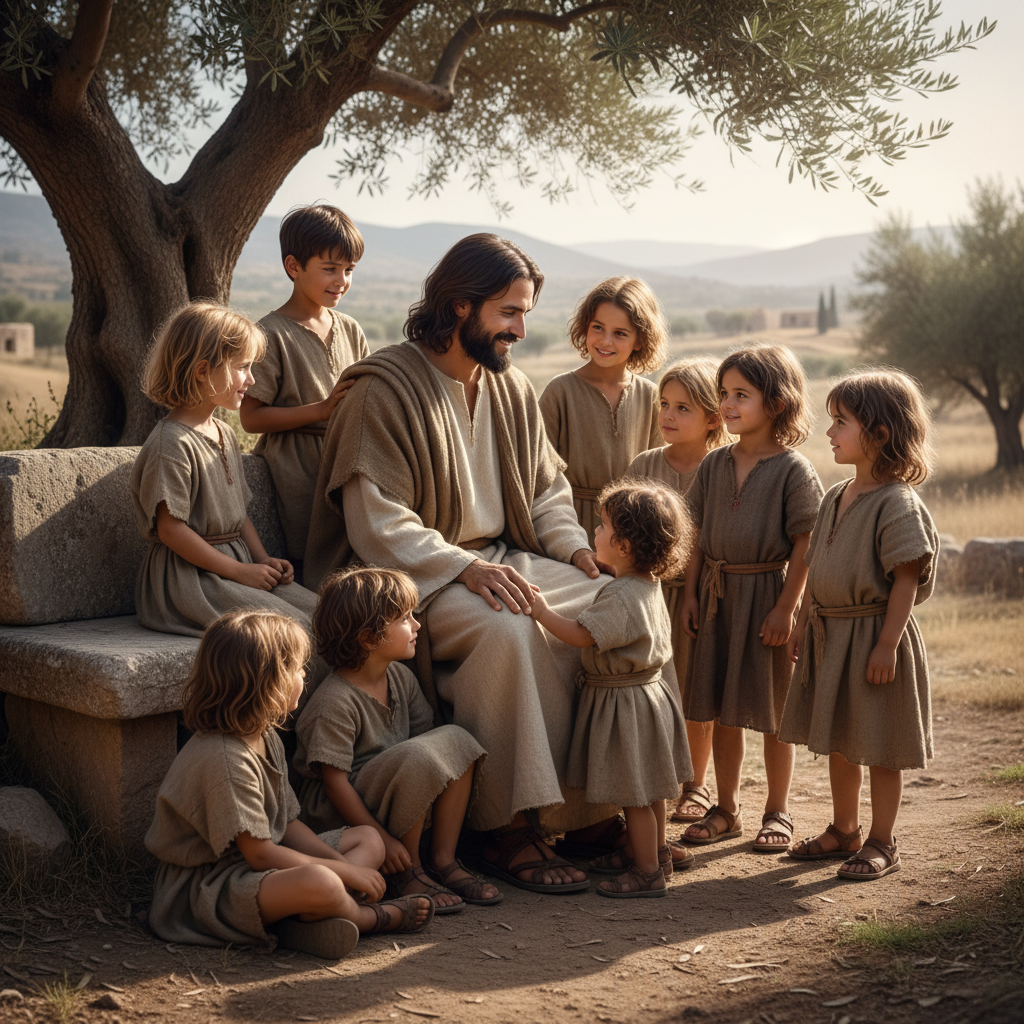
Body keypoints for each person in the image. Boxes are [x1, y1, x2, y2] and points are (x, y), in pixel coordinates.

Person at [305, 233, 631, 894]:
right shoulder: (383, 390)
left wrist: (573, 550)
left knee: (610, 608)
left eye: (524, 314)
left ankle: (592, 811)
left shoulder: (509, 391)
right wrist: (463, 569)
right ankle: (505, 828)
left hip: (504, 558)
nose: (519, 328)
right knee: (507, 629)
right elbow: (377, 521)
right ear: (459, 306)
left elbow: (546, 491)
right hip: (410, 580)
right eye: (509, 312)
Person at [144, 609, 434, 959]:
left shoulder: (264, 732)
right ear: (269, 681)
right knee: (322, 882)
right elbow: (260, 853)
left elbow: (290, 823)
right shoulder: (225, 759)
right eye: (297, 669)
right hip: (209, 888)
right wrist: (343, 873)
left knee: (368, 839)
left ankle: (299, 921)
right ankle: (366, 917)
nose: (304, 677)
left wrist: (346, 867)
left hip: (261, 870)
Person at [780, 370, 938, 881]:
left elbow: (907, 578)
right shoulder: (836, 494)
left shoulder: (897, 501)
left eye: (841, 422)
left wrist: (888, 644)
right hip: (833, 636)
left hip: (873, 637)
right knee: (841, 738)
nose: (830, 433)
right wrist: (803, 619)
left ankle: (881, 840)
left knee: (878, 744)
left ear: (880, 433)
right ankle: (843, 829)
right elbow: (816, 566)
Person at [680, 345, 824, 853]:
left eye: (742, 394)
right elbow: (694, 533)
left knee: (773, 711)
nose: (728, 404)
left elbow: (806, 540)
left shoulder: (793, 469)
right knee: (721, 708)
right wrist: (694, 593)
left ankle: (778, 810)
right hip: (718, 598)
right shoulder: (715, 463)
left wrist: (788, 607)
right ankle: (727, 807)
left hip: (767, 597)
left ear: (778, 402)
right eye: (724, 394)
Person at [293, 566, 500, 913]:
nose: (417, 625)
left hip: (395, 789)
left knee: (457, 741)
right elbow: (335, 785)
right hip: (340, 813)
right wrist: (384, 841)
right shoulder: (334, 702)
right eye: (404, 618)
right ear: (369, 639)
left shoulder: (401, 679)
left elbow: (427, 741)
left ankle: (442, 860)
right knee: (417, 758)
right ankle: (408, 870)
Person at [531, 482, 693, 898]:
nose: (594, 532)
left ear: (623, 546)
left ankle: (645, 872)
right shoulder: (648, 584)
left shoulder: (620, 594)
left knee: (634, 796)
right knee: (649, 787)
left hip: (625, 704)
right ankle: (655, 854)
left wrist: (541, 611)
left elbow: (581, 635)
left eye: (602, 527)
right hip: (648, 696)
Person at [130, 301, 319, 638]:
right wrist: (239, 572)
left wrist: (261, 561)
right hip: (190, 579)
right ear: (203, 370)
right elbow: (171, 530)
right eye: (242, 367)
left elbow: (238, 512)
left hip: (236, 565)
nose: (251, 379)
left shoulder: (224, 432)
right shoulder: (170, 444)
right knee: (293, 630)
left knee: (324, 614)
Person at [240, 205, 370, 576]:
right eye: (330, 269)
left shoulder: (350, 329)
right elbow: (250, 418)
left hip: (346, 464)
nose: (342, 280)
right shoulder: (270, 334)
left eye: (349, 270)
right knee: (311, 567)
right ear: (294, 267)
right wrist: (321, 410)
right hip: (297, 471)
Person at [626, 358, 728, 827]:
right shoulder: (645, 464)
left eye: (683, 407)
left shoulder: (724, 466)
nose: (667, 415)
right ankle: (657, 782)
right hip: (650, 594)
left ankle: (697, 785)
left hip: (703, 596)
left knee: (695, 690)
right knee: (655, 688)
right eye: (664, 404)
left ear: (713, 417)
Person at [539, 277, 665, 545]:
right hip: (569, 528)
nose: (605, 341)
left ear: (640, 340)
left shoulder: (652, 396)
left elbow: (660, 472)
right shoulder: (560, 391)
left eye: (620, 333)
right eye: (598, 327)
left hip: (633, 532)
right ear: (585, 327)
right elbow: (539, 475)